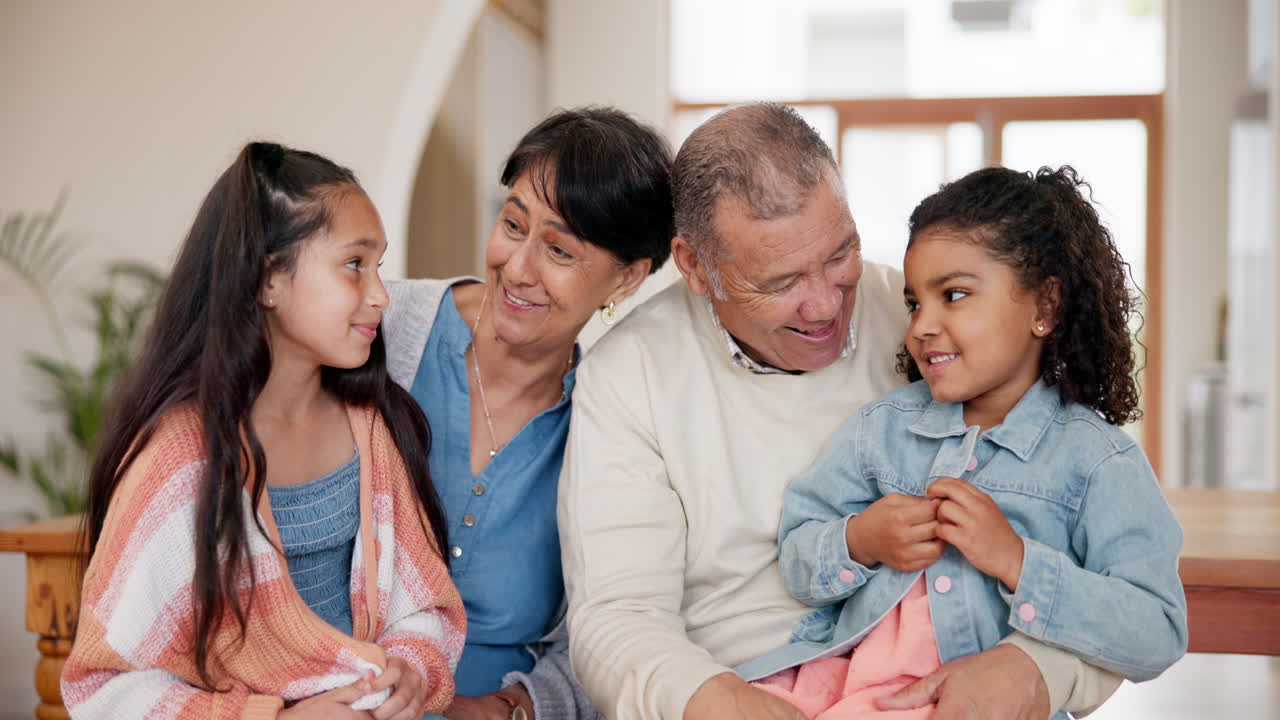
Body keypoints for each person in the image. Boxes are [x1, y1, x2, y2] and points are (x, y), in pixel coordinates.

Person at [558, 103, 1126, 720]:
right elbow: (618, 618)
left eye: (840, 255)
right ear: (696, 266)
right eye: (781, 283)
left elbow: (1114, 581)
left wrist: (1038, 671)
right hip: (746, 682)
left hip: (956, 675)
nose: (826, 305)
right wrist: (718, 702)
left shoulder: (930, 326)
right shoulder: (629, 374)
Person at [740, 165, 1188, 719]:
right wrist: (860, 539)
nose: (922, 325)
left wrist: (1018, 561)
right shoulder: (881, 431)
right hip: (845, 688)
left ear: (1044, 307)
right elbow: (799, 558)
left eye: (954, 295)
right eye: (914, 303)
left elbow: (1157, 630)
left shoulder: (1098, 464)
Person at [61, 142, 466, 719]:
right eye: (354, 264)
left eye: (378, 266)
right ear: (268, 279)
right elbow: (106, 686)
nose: (380, 293)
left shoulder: (373, 426)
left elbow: (425, 607)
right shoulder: (183, 458)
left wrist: (409, 669)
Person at [380, 107, 674, 720]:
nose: (517, 268)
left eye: (559, 252)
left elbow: (608, 634)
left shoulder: (612, 422)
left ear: (626, 278)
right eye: (513, 226)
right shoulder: (387, 332)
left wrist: (509, 708)